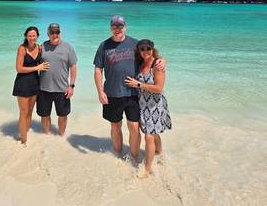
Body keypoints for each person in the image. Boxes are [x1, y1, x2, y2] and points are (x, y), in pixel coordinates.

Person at [93, 15, 166, 162]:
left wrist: (163, 61)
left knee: (134, 126)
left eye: (120, 26)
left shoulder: (135, 44)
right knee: (115, 125)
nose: (117, 29)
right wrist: (100, 91)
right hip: (112, 93)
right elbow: (97, 70)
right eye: (114, 26)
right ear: (110, 28)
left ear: (125, 27)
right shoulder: (104, 46)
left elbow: (150, 57)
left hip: (133, 94)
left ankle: (134, 157)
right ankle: (118, 154)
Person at [125, 39, 171, 177]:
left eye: (148, 48)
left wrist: (138, 84)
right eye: (142, 49)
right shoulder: (139, 64)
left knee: (149, 136)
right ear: (139, 51)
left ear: (152, 49)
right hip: (142, 104)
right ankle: (159, 153)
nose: (145, 51)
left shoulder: (157, 65)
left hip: (155, 105)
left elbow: (158, 88)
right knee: (154, 133)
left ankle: (146, 169)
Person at [37, 23, 77, 136]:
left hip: (62, 89)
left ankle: (61, 137)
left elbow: (73, 67)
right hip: (44, 88)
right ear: (48, 34)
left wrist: (72, 86)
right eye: (52, 32)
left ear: (60, 33)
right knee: (44, 115)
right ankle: (47, 136)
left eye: (57, 32)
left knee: (63, 115)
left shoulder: (68, 47)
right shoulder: (42, 47)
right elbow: (33, 62)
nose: (55, 34)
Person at [13, 26, 50, 145]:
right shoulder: (22, 48)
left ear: (37, 36)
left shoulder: (39, 48)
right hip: (22, 83)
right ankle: (23, 141)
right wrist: (36, 68)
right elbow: (18, 68)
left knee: (30, 111)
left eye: (34, 35)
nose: (31, 37)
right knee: (23, 112)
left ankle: (26, 133)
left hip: (35, 83)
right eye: (29, 35)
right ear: (25, 36)